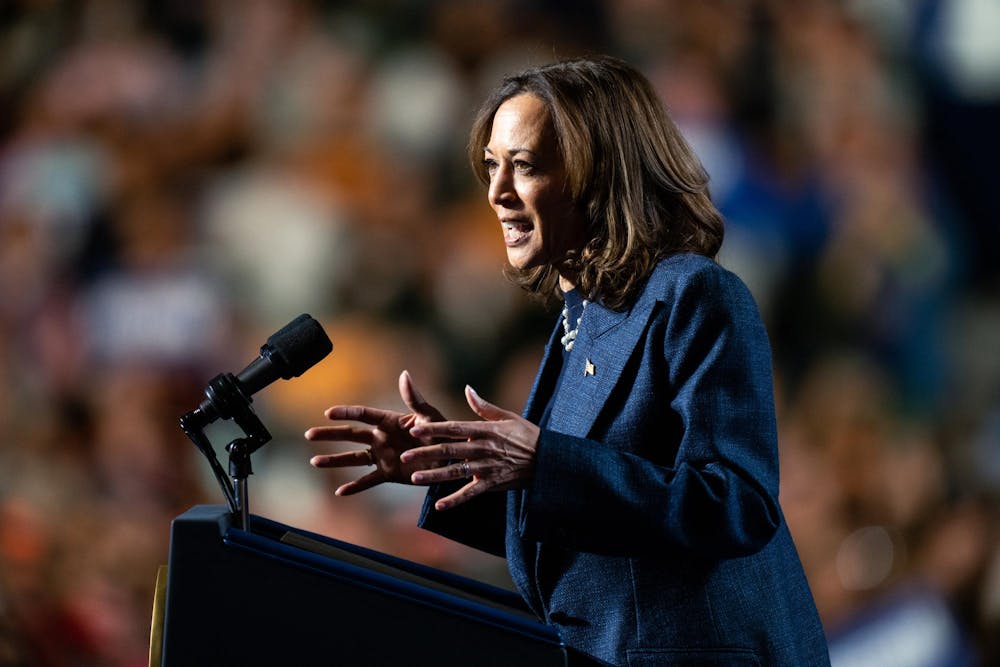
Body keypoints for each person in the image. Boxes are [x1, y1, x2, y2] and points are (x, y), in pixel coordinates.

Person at [305, 55, 831, 666]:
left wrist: (542, 460)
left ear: (599, 174)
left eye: (524, 167)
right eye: (490, 168)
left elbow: (736, 504)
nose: (497, 194)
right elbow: (584, 523)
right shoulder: (580, 317)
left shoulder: (694, 294)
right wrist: (448, 464)